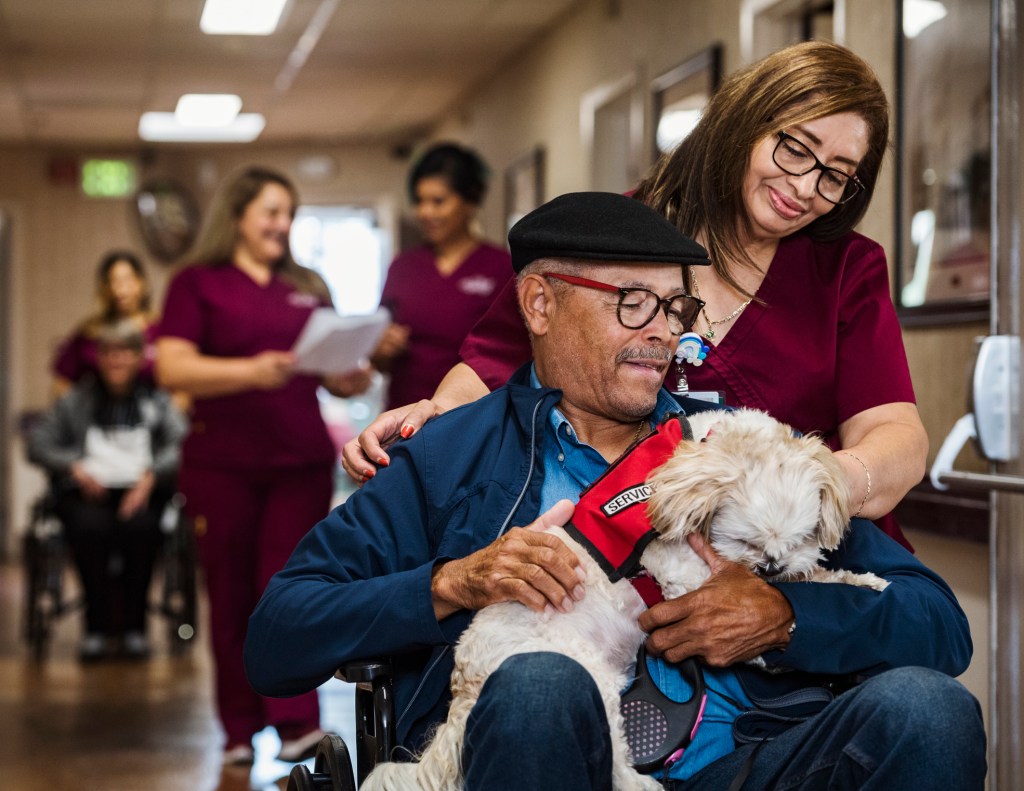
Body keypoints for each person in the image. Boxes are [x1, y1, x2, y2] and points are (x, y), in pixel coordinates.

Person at [245, 192, 984, 790]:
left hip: (747, 758)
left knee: (930, 708)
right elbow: (277, 636)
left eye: (676, 309)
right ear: (539, 304)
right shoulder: (449, 454)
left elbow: (940, 625)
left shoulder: (728, 446)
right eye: (633, 302)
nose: (662, 333)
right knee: (540, 682)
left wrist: (788, 616)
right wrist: (452, 582)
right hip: (545, 757)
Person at [341, 41, 927, 553]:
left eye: (835, 175)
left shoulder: (846, 268)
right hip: (611, 546)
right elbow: (492, 364)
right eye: (795, 149)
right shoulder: (613, 231)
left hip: (782, 557)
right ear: (746, 121)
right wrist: (435, 421)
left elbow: (897, 437)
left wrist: (820, 483)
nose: (804, 188)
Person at [155, 165, 370, 765]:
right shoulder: (196, 282)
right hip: (220, 466)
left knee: (289, 592)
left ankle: (296, 720)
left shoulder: (306, 283)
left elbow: (333, 374)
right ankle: (237, 731)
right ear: (239, 217)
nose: (282, 225)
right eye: (271, 212)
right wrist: (251, 371)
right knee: (228, 595)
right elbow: (172, 368)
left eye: (289, 214)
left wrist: (351, 374)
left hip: (297, 463)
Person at [28, 319, 187, 661]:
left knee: (143, 530)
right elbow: (39, 443)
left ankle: (135, 628)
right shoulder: (75, 399)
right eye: (109, 352)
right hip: (88, 492)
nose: (116, 360)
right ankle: (95, 628)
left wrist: (150, 478)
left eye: (125, 353)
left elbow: (181, 444)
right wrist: (75, 467)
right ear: (99, 357)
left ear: (137, 357)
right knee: (88, 529)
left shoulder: (157, 400)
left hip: (142, 491)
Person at [370, 142, 511, 411]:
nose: (425, 212)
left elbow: (513, 353)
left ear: (470, 201)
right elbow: (378, 359)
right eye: (420, 201)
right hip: (405, 416)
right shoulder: (403, 267)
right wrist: (382, 349)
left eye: (438, 201)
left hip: (475, 416)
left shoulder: (500, 267)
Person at [51, 250, 159, 399]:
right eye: (112, 281)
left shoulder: (161, 330)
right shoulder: (90, 332)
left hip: (150, 415)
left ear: (141, 283)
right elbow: (62, 383)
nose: (119, 290)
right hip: (98, 416)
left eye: (127, 280)